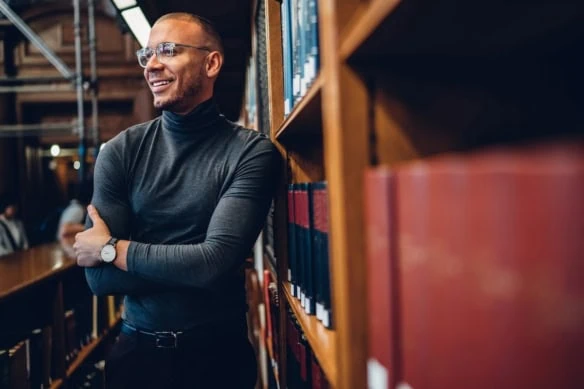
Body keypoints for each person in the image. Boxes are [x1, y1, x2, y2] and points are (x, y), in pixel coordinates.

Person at [72, 12, 280, 389]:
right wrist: (185, 262)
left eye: (167, 50)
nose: (152, 65)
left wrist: (110, 249)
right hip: (136, 358)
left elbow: (212, 264)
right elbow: (99, 280)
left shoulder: (251, 153)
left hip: (218, 360)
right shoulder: (120, 152)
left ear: (211, 62)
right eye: (146, 54)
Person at [0, 192, 29, 257]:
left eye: (16, 207)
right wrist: (11, 254)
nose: (14, 209)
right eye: (12, 207)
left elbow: (25, 242)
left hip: (22, 257)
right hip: (6, 260)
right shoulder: (1, 224)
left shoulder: (19, 223)